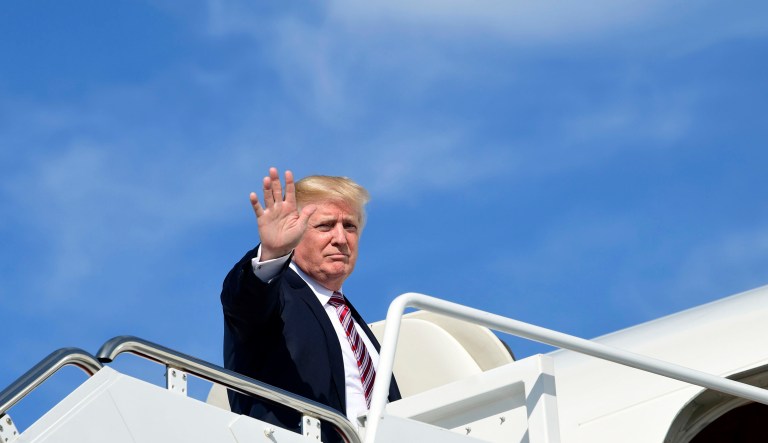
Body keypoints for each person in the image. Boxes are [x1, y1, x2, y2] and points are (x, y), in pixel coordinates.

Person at [220, 167, 401, 441]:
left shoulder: (353, 324)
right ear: (294, 231)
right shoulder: (277, 294)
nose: (340, 239)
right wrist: (272, 253)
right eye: (325, 226)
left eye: (349, 226)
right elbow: (245, 302)